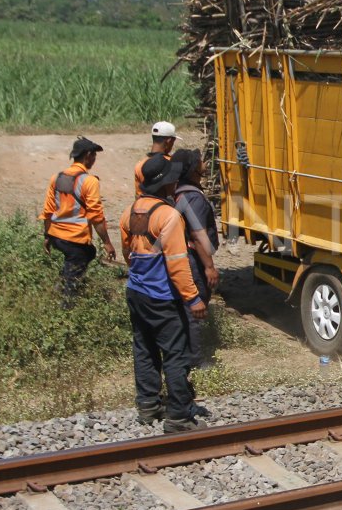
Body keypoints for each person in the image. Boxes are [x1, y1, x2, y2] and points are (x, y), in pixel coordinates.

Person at [121, 155, 207, 432]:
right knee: (175, 354)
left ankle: (148, 405)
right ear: (163, 184)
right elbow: (178, 263)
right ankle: (179, 417)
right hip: (162, 296)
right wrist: (193, 298)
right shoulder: (169, 215)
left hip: (136, 292)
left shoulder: (130, 211)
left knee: (144, 349)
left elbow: (128, 253)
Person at [40, 136, 116, 308]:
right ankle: (65, 312)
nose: (95, 159)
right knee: (73, 281)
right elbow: (96, 217)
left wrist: (47, 235)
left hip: (57, 237)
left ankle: (60, 285)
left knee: (88, 253)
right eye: (94, 156)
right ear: (88, 155)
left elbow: (48, 210)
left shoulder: (56, 178)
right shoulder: (89, 181)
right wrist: (107, 242)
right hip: (75, 239)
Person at [171, 147, 220, 371]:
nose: (204, 163)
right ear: (192, 169)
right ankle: (196, 360)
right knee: (196, 307)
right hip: (193, 259)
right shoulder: (193, 198)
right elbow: (197, 235)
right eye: (200, 161)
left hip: (184, 257)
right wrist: (209, 266)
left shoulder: (179, 191)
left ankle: (185, 353)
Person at [133, 121, 180, 197]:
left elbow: (138, 195)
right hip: (164, 207)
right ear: (169, 141)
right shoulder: (172, 164)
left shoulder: (139, 165)